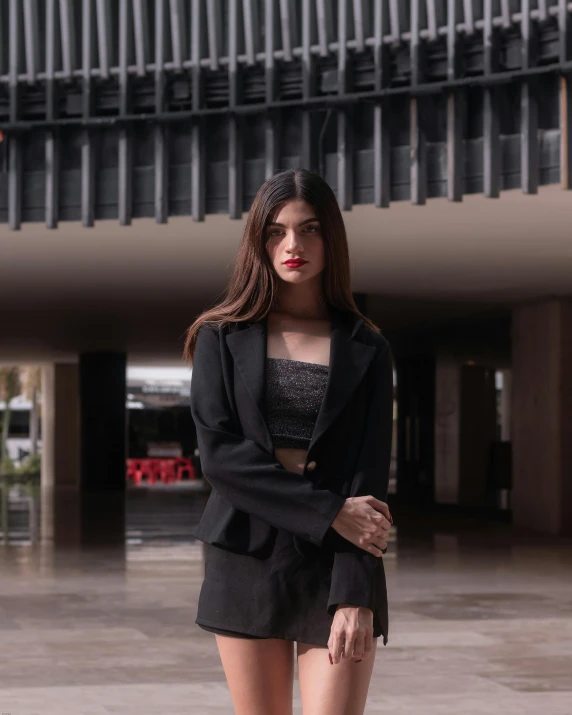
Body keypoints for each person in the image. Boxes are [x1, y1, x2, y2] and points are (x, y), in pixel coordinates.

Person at [183, 168, 394, 715]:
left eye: (310, 229)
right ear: (259, 240)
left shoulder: (367, 347)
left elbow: (367, 478)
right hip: (247, 555)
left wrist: (356, 591)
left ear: (333, 240)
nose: (292, 245)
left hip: (338, 562)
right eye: (276, 231)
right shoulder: (220, 336)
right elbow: (221, 459)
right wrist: (328, 511)